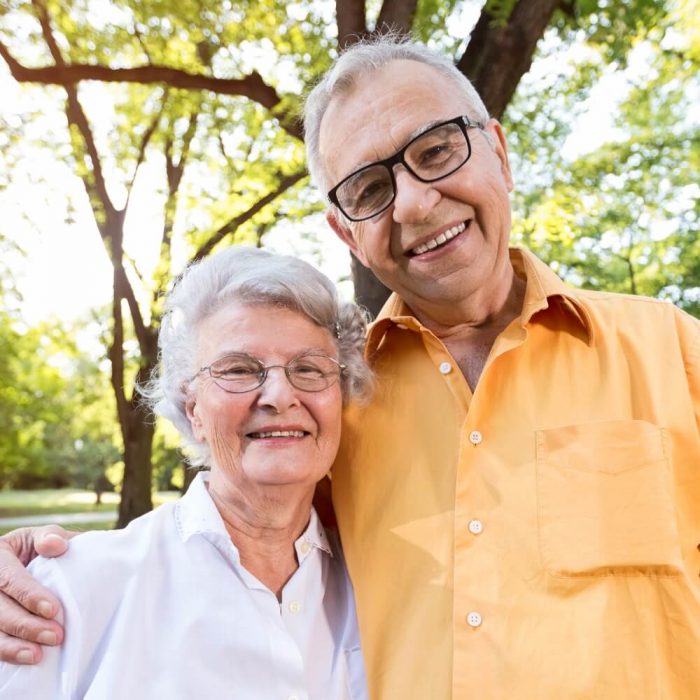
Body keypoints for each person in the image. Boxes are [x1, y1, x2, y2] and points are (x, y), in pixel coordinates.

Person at [1, 35, 699, 699]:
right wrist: (34, 568)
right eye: (368, 189)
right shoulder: (332, 401)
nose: (417, 203)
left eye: (437, 150)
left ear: (499, 154)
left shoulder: (674, 352)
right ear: (346, 234)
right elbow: (241, 531)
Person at [0, 246, 371, 698]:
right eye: (239, 369)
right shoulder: (73, 590)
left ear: (341, 397)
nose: (278, 394)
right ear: (193, 408)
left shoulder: (378, 583)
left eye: (309, 369)